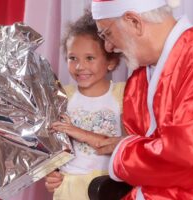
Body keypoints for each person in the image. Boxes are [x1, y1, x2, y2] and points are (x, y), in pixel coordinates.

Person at [47, 0, 193, 199]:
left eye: (107, 35)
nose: (109, 47)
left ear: (134, 22)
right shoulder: (140, 76)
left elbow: (187, 156)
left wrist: (123, 150)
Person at [46, 11, 126, 200]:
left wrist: (76, 131)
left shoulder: (123, 95)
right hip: (68, 189)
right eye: (73, 58)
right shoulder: (62, 96)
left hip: (106, 188)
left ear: (111, 61)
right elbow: (51, 143)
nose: (80, 66)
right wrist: (51, 173)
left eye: (89, 58)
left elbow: (127, 143)